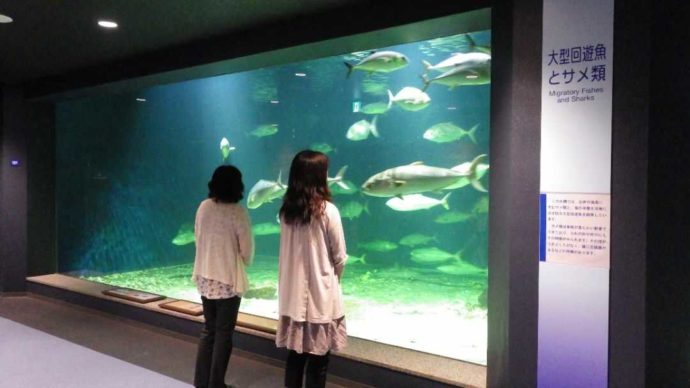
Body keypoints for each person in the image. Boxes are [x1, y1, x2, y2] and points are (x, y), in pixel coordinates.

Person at [276, 150, 348, 388]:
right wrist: (333, 279)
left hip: (293, 296)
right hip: (321, 297)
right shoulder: (328, 211)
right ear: (318, 176)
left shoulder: (286, 212)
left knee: (295, 358)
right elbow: (340, 257)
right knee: (318, 362)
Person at [192, 165, 254, 388]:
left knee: (209, 329)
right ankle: (217, 383)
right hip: (227, 280)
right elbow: (246, 249)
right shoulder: (238, 211)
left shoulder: (203, 207)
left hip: (205, 276)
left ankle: (201, 382)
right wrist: (244, 261)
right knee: (224, 333)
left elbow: (198, 237)